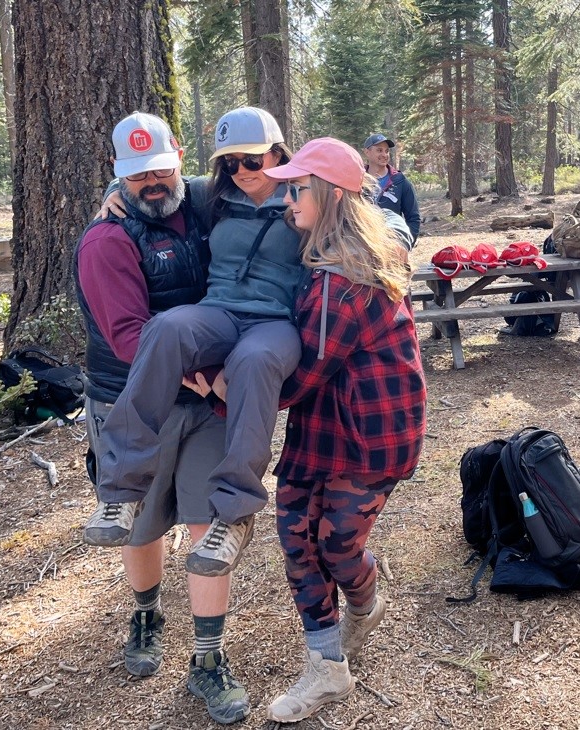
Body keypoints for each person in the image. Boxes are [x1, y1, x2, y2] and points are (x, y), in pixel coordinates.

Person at [190, 137, 427, 723]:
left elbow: (299, 379)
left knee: (338, 546)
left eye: (297, 188)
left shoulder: (344, 279)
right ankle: (326, 669)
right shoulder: (317, 259)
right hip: (323, 426)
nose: (286, 196)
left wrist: (225, 391)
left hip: (371, 436)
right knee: (298, 538)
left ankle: (364, 600)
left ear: (326, 194)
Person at [74, 111, 250, 724]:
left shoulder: (205, 205)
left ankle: (208, 660)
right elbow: (126, 336)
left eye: (160, 168)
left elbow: (264, 186)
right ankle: (146, 613)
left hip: (207, 403)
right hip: (131, 399)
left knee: (208, 522)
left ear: (180, 157)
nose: (152, 182)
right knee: (144, 525)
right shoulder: (106, 240)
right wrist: (201, 372)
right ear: (118, 176)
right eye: (136, 174)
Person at [86, 106, 304, 580]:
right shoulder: (215, 196)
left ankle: (235, 511)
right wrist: (111, 193)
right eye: (229, 162)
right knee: (165, 328)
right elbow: (147, 187)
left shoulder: (305, 196)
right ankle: (121, 490)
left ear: (276, 152)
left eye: (251, 160)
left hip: (276, 322)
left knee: (255, 359)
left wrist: (393, 234)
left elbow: (369, 213)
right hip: (220, 312)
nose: (241, 171)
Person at [363, 133, 421, 244]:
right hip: (362, 247)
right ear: (367, 152)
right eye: (379, 150)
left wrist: (404, 245)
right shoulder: (357, 180)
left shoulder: (401, 182)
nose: (384, 154)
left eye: (387, 151)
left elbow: (413, 218)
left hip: (391, 247)